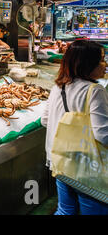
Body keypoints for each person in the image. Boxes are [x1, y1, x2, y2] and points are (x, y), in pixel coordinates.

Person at [41, 40, 108, 215]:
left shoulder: (59, 86)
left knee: (65, 210)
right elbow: (103, 135)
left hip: (61, 161)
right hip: (86, 165)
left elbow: (45, 120)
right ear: (87, 63)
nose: (105, 64)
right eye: (101, 59)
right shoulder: (95, 90)